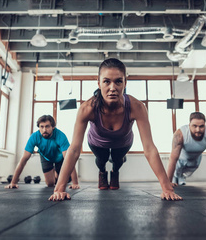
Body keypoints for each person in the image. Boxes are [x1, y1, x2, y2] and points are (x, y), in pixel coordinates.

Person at [48, 58, 182, 201]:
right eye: (106, 81)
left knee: (117, 160)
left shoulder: (137, 107)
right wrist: (59, 189)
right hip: (97, 142)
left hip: (123, 142)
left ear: (125, 83)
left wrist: (167, 188)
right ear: (99, 83)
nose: (112, 87)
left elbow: (149, 148)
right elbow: (74, 149)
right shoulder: (87, 108)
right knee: (101, 159)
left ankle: (115, 171)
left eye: (118, 81)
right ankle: (102, 172)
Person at [5, 115, 79, 189]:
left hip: (60, 158)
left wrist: (75, 183)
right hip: (46, 157)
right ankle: (55, 173)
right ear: (39, 127)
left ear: (53, 127)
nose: (44, 130)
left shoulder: (60, 136)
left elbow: (69, 159)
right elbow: (23, 160)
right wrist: (13, 182)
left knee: (66, 180)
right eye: (42, 127)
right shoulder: (34, 137)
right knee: (50, 184)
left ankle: (57, 173)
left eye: (47, 126)